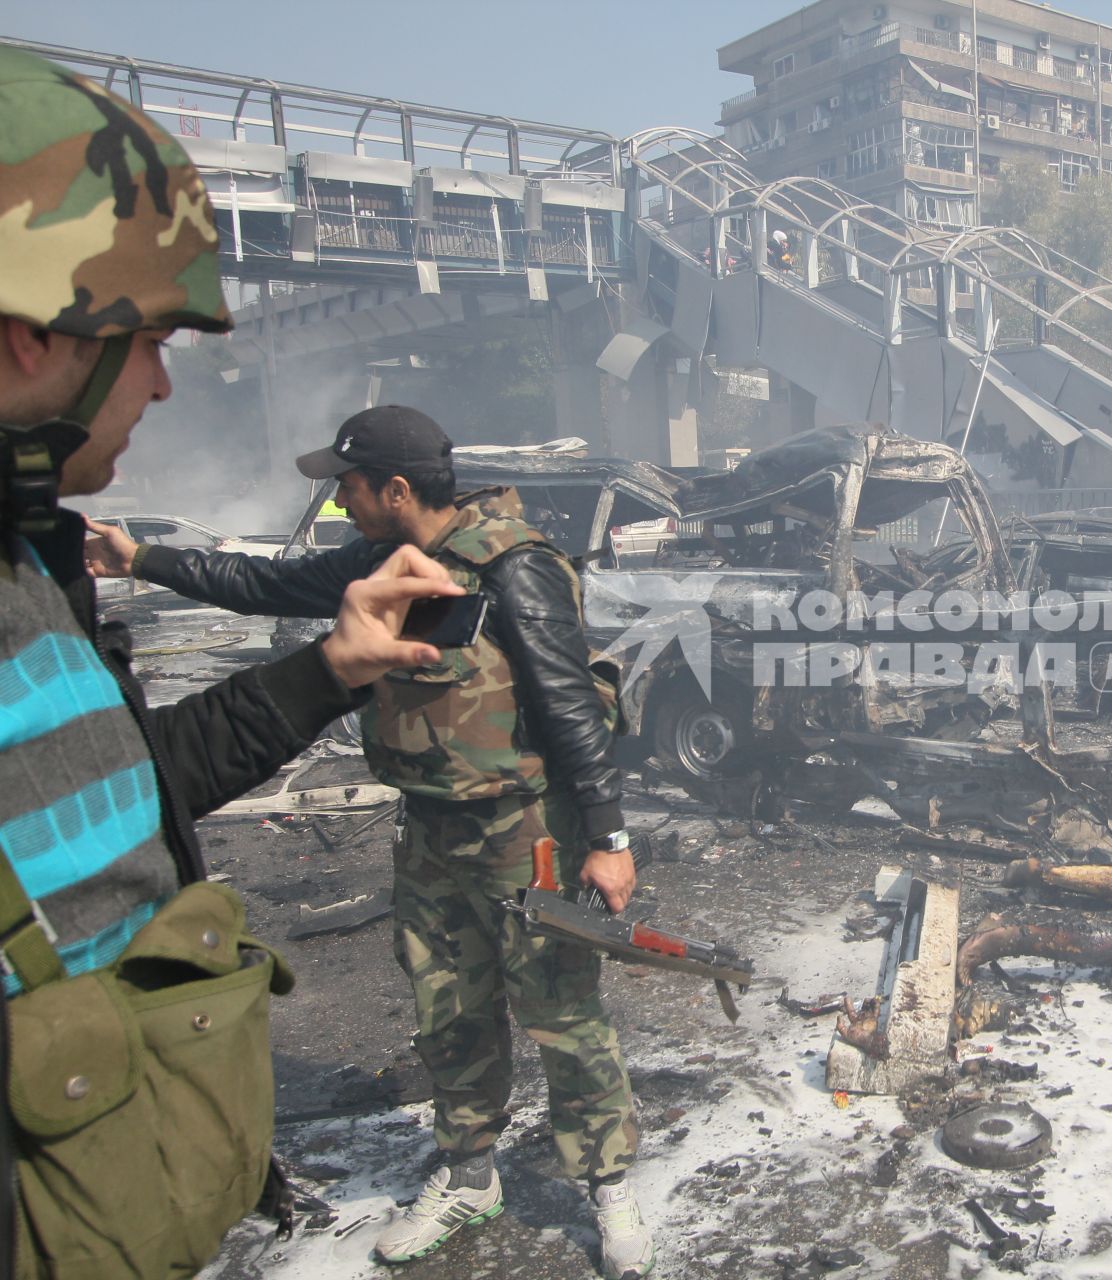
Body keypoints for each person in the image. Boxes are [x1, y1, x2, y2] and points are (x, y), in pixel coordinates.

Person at [0, 48, 459, 1278]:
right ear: (27, 334)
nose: (160, 377)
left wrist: (332, 668)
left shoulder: (33, 575)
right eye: (146, 338)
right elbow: (254, 580)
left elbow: (129, 794)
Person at [88, 407, 656, 1277]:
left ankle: (609, 1182)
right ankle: (470, 1174)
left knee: (560, 1011)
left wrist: (609, 837)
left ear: (396, 489)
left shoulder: (515, 568)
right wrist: (143, 558)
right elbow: (264, 585)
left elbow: (571, 706)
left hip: (525, 833)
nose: (339, 501)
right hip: (429, 830)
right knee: (448, 1008)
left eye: (348, 485)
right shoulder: (383, 560)